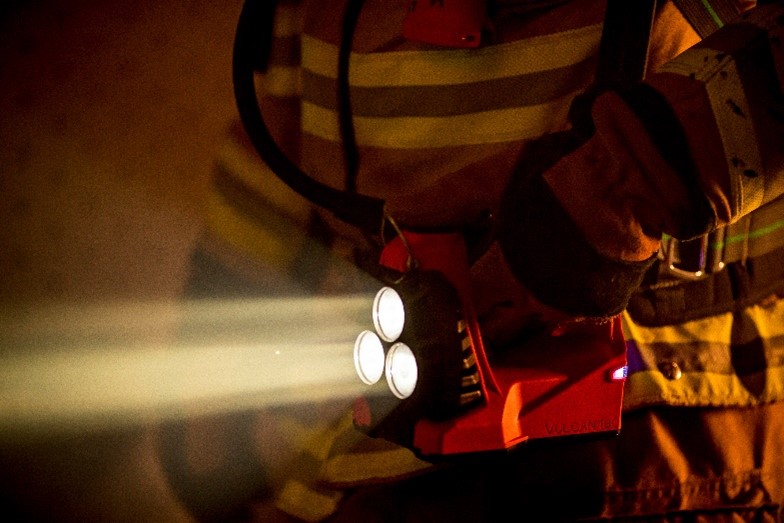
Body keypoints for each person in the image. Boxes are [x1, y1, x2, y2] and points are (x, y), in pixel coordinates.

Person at [162, 0, 784, 520]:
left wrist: (614, 193)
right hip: (359, 472)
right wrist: (217, 367)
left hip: (649, 440)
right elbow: (283, 131)